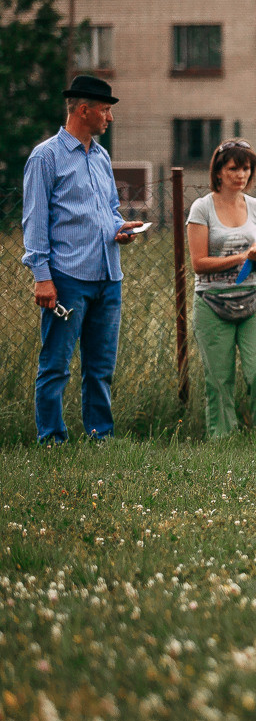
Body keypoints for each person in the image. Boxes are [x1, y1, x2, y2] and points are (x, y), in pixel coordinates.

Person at [22, 75, 144, 444]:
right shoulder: (46, 157)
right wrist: (42, 277)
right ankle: (52, 440)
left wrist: (120, 227)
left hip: (108, 276)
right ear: (84, 109)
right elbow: (35, 221)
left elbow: (107, 209)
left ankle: (99, 436)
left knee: (100, 367)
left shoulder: (102, 156)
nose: (110, 117)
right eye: (105, 110)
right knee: (56, 365)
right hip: (68, 279)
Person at [186, 140, 256, 438]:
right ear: (218, 172)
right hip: (212, 302)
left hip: (252, 299)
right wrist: (242, 257)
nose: (241, 175)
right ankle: (222, 441)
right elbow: (198, 263)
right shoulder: (202, 208)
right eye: (233, 168)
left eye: (246, 169)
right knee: (218, 379)